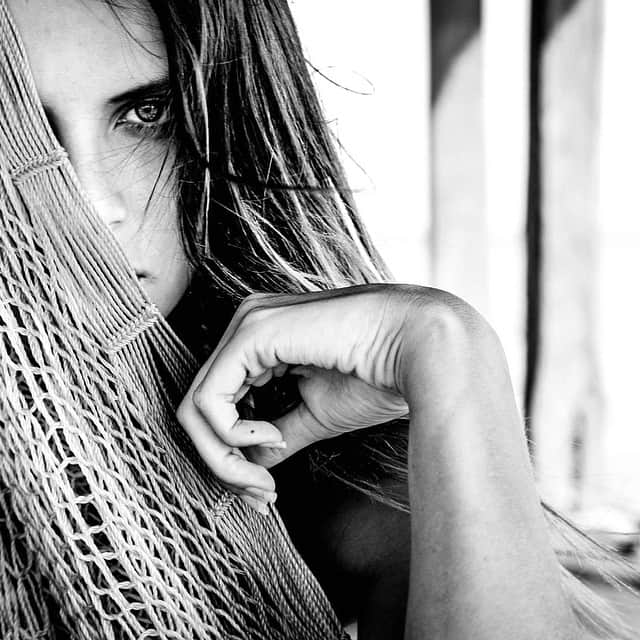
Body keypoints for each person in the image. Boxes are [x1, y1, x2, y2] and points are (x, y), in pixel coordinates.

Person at [4, 1, 624, 639]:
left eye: (147, 115)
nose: (90, 205)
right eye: (21, 136)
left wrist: (447, 349)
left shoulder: (318, 477)